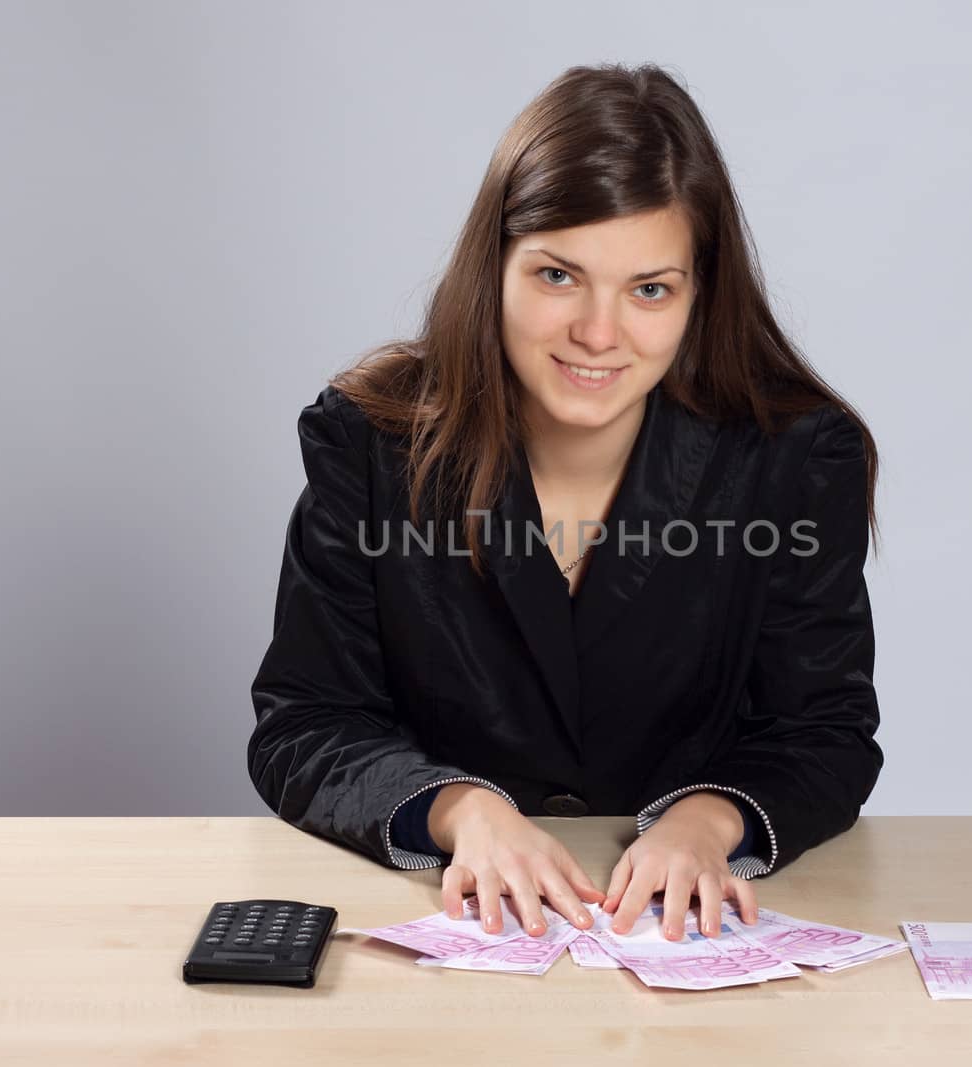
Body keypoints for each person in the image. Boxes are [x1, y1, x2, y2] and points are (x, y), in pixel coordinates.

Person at [247, 63, 883, 946]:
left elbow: (825, 730)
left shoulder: (793, 455)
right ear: (495, 266)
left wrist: (707, 820)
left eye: (649, 289)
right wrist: (460, 811)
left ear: (699, 297)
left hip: (682, 942)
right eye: (556, 276)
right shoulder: (369, 438)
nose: (596, 331)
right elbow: (306, 724)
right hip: (451, 933)